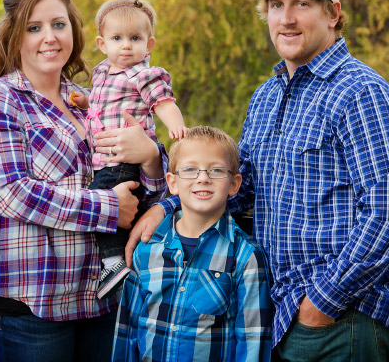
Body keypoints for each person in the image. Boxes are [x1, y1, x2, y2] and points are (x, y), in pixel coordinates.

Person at [127, 0, 389, 362]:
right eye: (277, 6)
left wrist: (322, 303)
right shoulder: (266, 97)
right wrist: (169, 206)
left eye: (302, 4)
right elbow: (239, 187)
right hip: (277, 312)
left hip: (341, 319)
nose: (287, 19)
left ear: (333, 14)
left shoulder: (362, 93)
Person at [0, 0, 167, 362]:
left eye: (58, 24)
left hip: (101, 302)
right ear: (14, 35)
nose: (49, 37)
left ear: (74, 30)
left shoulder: (89, 100)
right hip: (33, 306)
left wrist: (151, 154)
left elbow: (144, 191)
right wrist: (107, 208)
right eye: (34, 28)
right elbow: (10, 194)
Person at [112, 126, 272, 362]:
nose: (203, 178)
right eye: (190, 169)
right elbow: (128, 331)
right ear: (173, 183)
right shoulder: (147, 250)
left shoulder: (246, 256)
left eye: (216, 170)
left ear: (234, 184)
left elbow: (252, 344)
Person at [70, 0, 188, 299]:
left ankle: (113, 262)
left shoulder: (144, 75)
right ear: (102, 43)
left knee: (100, 202)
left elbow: (163, 102)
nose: (126, 46)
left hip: (123, 159)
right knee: (113, 207)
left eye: (135, 39)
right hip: (106, 158)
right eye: (117, 38)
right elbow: (100, 100)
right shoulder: (102, 73)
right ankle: (120, 261)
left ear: (148, 44)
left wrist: (176, 124)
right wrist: (85, 100)